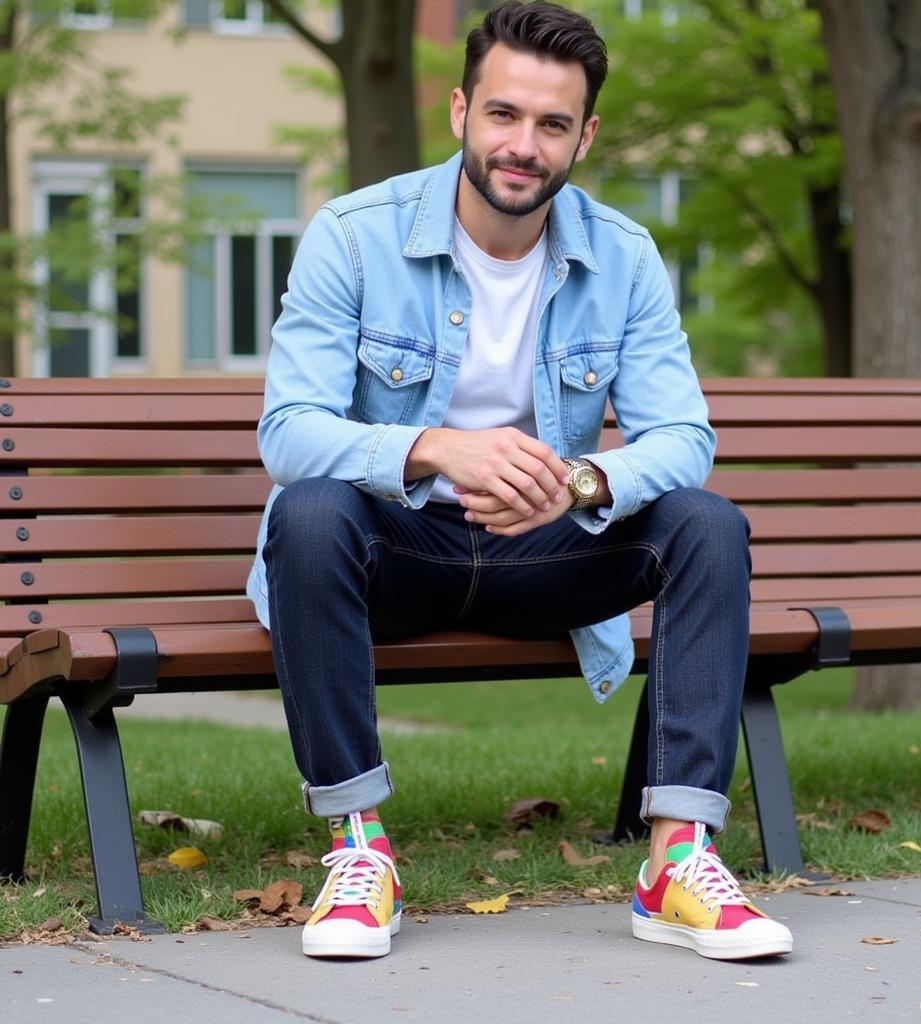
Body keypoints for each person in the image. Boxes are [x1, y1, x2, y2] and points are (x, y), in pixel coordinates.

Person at [247, 0, 793, 963]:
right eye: (503, 115)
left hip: (541, 553)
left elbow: (684, 438)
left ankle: (676, 862)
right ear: (461, 111)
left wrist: (579, 481)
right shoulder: (353, 234)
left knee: (707, 523)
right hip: (393, 550)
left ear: (584, 135)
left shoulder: (622, 256)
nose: (522, 146)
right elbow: (289, 433)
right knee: (311, 508)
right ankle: (359, 850)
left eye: (551, 125)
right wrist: (435, 449)